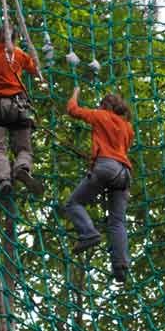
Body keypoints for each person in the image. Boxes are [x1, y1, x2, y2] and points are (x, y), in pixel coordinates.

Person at [64, 87, 134, 283]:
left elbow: (72, 109)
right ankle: (121, 266)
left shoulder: (100, 115)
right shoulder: (128, 127)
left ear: (104, 105)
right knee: (118, 222)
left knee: (73, 204)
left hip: (105, 166)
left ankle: (88, 233)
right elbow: (121, 148)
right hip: (124, 174)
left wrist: (76, 91)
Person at [0, 26, 44, 196]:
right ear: (15, 38)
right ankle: (22, 167)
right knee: (24, 148)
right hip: (17, 105)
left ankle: (3, 180)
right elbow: (35, 70)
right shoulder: (19, 54)